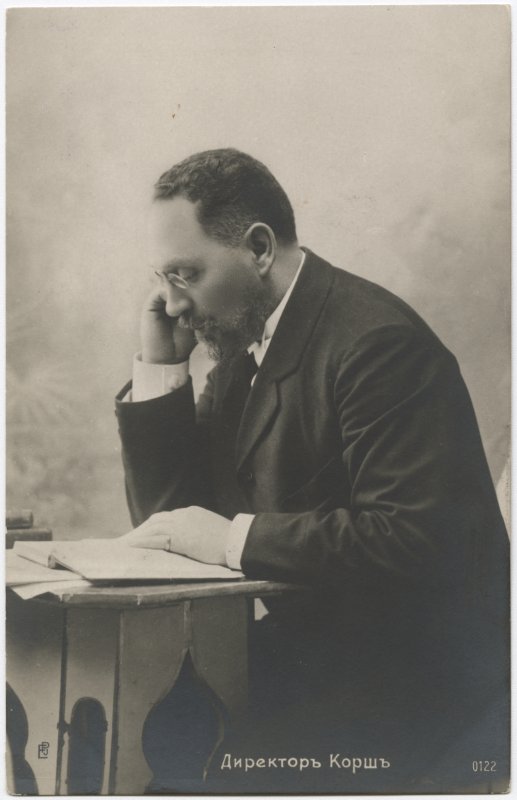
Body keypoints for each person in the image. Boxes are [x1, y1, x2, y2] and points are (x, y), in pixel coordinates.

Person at [116, 148, 509, 792]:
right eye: (162, 277)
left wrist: (232, 538)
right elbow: (173, 525)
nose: (174, 304)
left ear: (259, 248)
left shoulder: (377, 344)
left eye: (186, 275)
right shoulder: (243, 348)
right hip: (319, 662)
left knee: (202, 780)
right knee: (147, 755)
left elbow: (412, 538)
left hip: (421, 682)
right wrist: (162, 366)